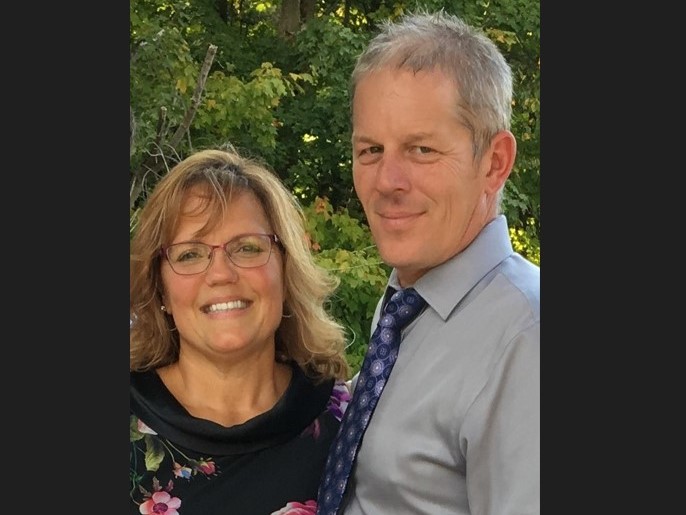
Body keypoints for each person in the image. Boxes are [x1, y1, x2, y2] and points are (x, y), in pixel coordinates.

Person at [317, 10, 540, 515]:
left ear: (495, 163)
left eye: (421, 150)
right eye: (370, 150)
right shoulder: (408, 305)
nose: (387, 181)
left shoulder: (527, 340)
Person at [130, 147, 351, 515]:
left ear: (286, 271)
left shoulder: (345, 423)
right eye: (190, 254)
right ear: (160, 289)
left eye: (247, 248)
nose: (221, 274)